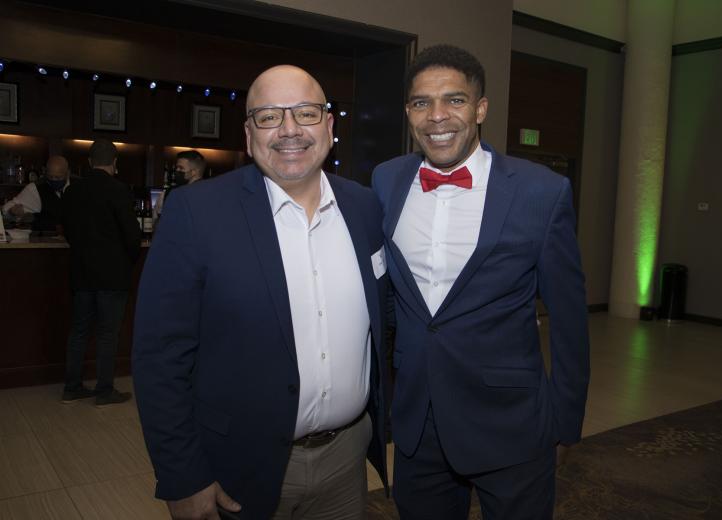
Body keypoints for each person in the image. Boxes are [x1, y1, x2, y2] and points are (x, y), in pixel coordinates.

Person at [133, 65, 388, 520]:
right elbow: (160, 356)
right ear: (249, 134)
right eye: (270, 116)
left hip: (347, 459)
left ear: (329, 127)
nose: (290, 129)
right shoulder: (197, 213)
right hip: (239, 464)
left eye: (306, 113)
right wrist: (182, 475)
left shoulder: (365, 207)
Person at [372, 44, 590, 520]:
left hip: (511, 423)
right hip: (418, 423)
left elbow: (572, 322)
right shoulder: (386, 180)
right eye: (421, 103)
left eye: (454, 100)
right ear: (408, 111)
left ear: (480, 108)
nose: (437, 116)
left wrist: (565, 423)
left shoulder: (541, 192)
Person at [61, 139, 141, 406]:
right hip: (112, 273)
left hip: (81, 271)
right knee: (108, 333)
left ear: (89, 162)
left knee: (79, 330)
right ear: (115, 163)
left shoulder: (72, 192)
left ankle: (72, 387)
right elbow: (132, 236)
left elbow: (69, 232)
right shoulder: (118, 190)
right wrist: (130, 259)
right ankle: (104, 390)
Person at [2, 155, 73, 234]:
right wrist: (12, 212)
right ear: (45, 172)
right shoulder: (36, 188)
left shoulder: (80, 187)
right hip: (48, 241)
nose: (54, 180)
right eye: (50, 177)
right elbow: (5, 211)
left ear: (68, 173)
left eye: (58, 177)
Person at [155, 150, 207, 219]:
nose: (177, 170)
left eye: (181, 168)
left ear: (194, 172)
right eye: (177, 168)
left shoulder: (172, 194)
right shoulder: (168, 193)